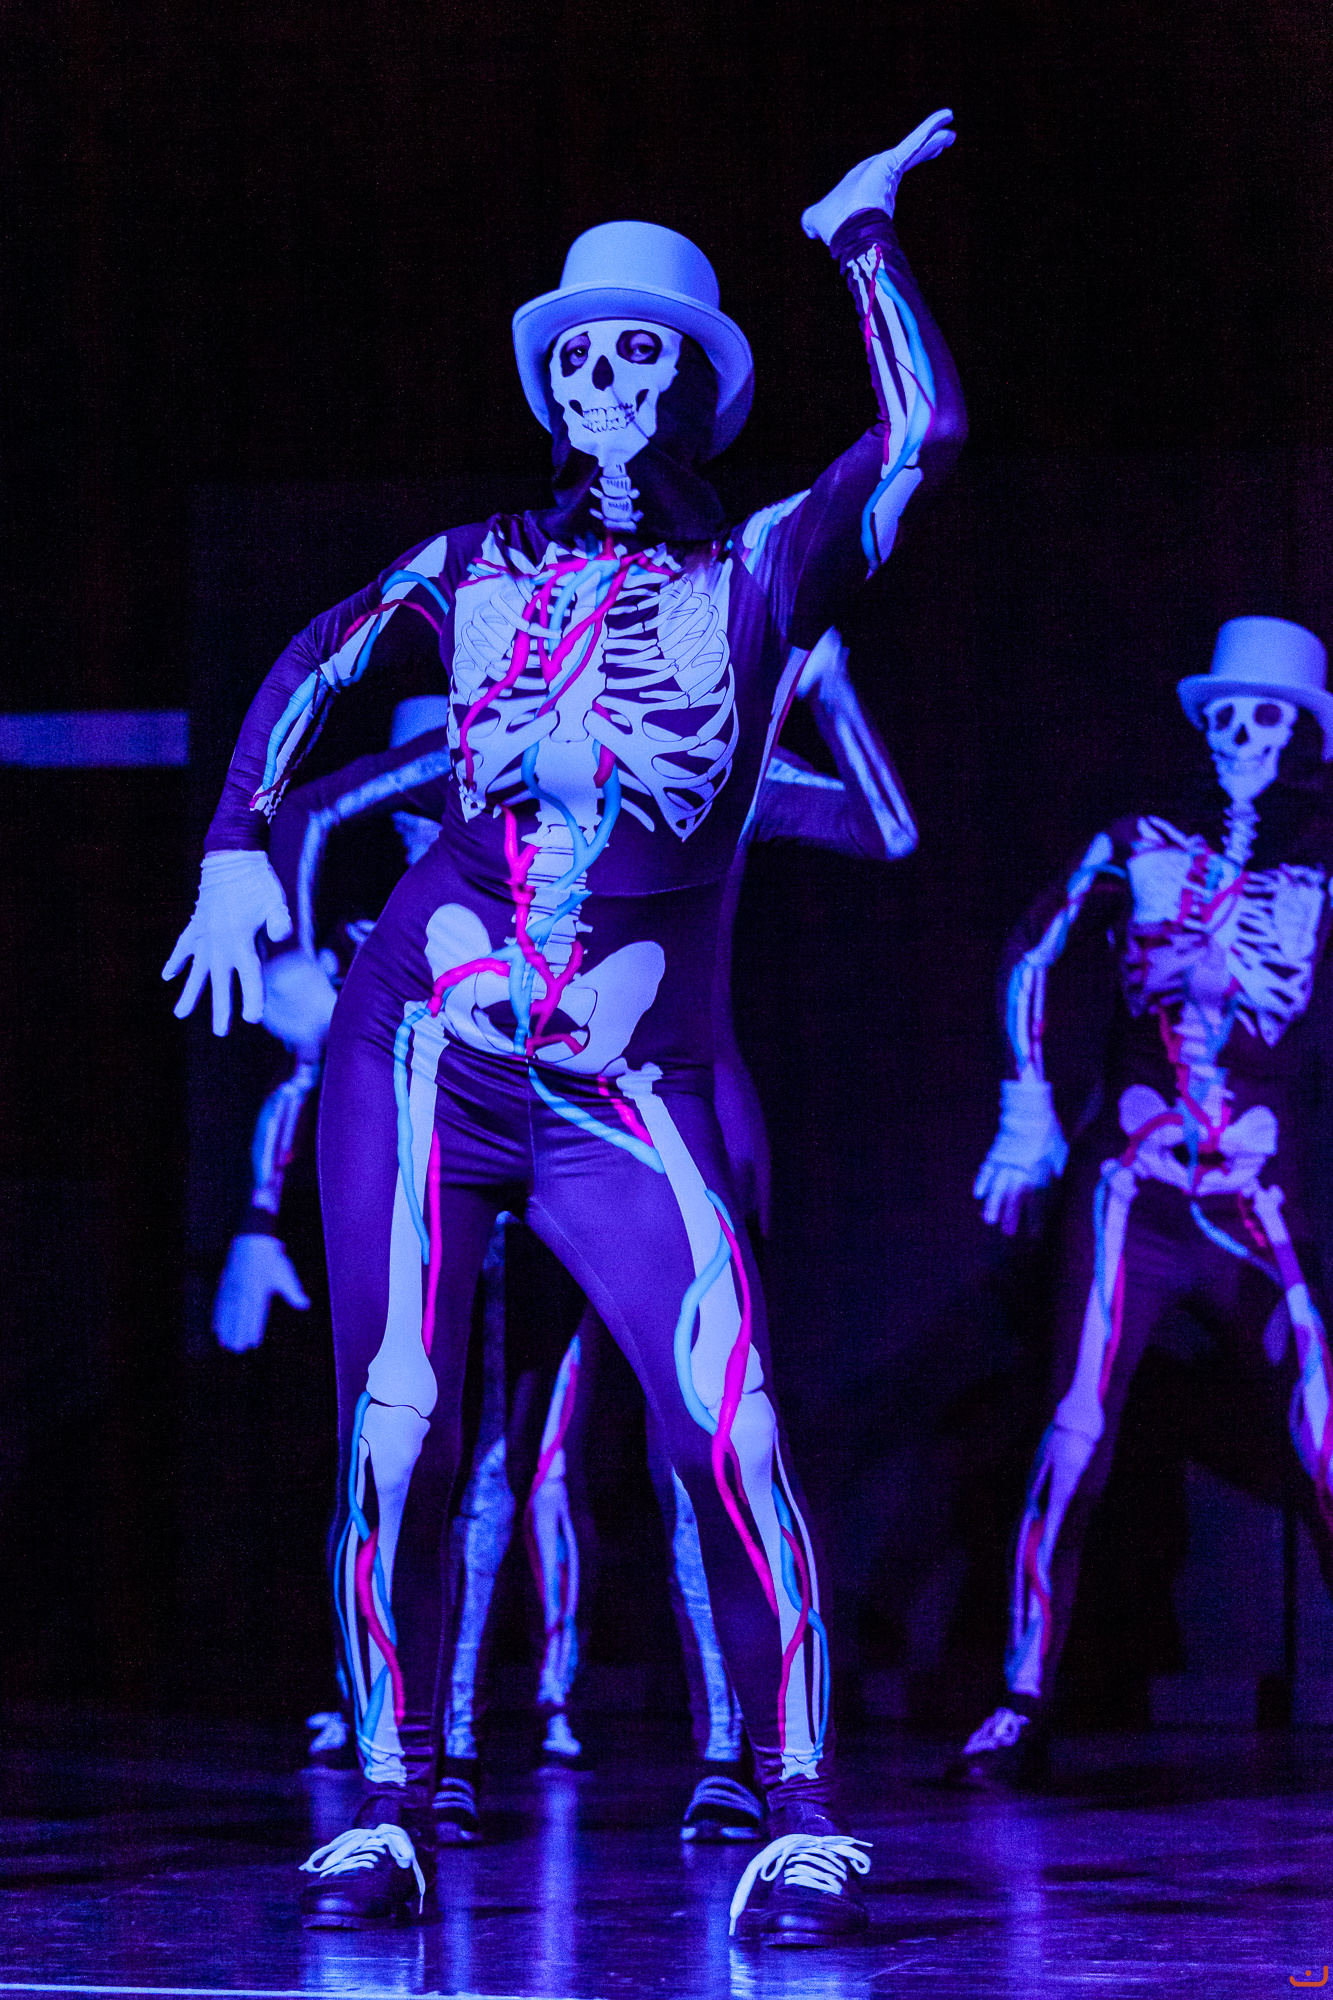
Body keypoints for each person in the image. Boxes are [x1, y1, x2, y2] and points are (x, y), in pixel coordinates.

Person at [164, 112, 964, 1942]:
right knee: (399, 1415)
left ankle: (798, 1806)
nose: (607, 381)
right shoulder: (468, 565)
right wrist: (232, 848)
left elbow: (919, 438)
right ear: (553, 386)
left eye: (643, 353)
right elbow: (316, 659)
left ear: (693, 388)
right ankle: (388, 1798)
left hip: (628, 1074)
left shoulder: (757, 577)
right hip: (426, 1044)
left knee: (727, 1418)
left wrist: (860, 242)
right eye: (581, 355)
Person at [951, 617, 1333, 1788]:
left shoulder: (1316, 881)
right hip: (1137, 1182)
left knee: (1323, 1420)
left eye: (1263, 718)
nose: (1237, 736)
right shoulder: (1136, 845)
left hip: (1254, 1193)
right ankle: (1021, 1696)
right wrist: (1024, 1107)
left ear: (1300, 737)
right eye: (1223, 716)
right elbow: (1030, 950)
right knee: (1074, 1426)